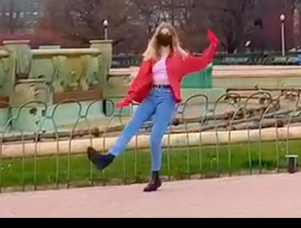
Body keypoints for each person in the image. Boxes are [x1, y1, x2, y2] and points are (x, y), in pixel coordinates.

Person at [87, 24, 219, 192]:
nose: (164, 36)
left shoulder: (180, 58)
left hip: (167, 97)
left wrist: (213, 44)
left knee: (155, 137)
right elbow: (142, 79)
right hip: (151, 95)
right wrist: (130, 96)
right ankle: (108, 157)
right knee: (132, 125)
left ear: (172, 37)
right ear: (157, 37)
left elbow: (201, 62)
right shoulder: (151, 58)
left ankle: (155, 175)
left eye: (167, 33)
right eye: (162, 33)